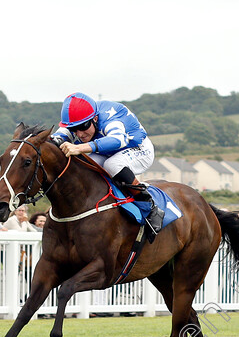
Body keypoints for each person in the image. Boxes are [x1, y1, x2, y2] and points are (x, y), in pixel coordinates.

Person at [51, 92, 163, 237]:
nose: (79, 134)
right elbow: (55, 140)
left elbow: (118, 140)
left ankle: (150, 206)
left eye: (84, 127)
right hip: (107, 151)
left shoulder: (110, 121)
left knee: (112, 164)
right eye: (74, 129)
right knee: (82, 164)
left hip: (137, 149)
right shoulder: (79, 122)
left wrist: (79, 148)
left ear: (95, 119)